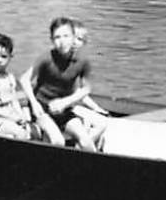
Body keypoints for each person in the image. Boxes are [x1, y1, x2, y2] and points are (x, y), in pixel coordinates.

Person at [21, 16, 107, 151]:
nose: (62, 42)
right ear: (51, 40)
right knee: (58, 141)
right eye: (57, 37)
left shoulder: (82, 61)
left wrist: (65, 102)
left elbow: (86, 88)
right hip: (43, 110)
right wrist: (34, 103)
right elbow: (25, 79)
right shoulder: (46, 58)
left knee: (85, 141)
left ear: (74, 38)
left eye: (66, 36)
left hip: (64, 110)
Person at [0, 33, 33, 139]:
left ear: (10, 57)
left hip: (10, 115)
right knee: (20, 134)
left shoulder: (10, 77)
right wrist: (11, 117)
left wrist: (21, 116)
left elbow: (14, 100)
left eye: (4, 57)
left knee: (33, 131)